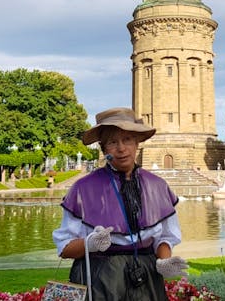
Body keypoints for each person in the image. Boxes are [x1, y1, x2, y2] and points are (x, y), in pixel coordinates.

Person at [52, 107, 187, 300]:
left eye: (127, 140)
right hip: (101, 278)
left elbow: (165, 236)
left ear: (137, 143)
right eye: (113, 142)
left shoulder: (157, 186)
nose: (121, 148)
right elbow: (64, 248)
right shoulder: (83, 188)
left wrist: (164, 261)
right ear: (104, 149)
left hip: (146, 276)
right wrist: (89, 244)